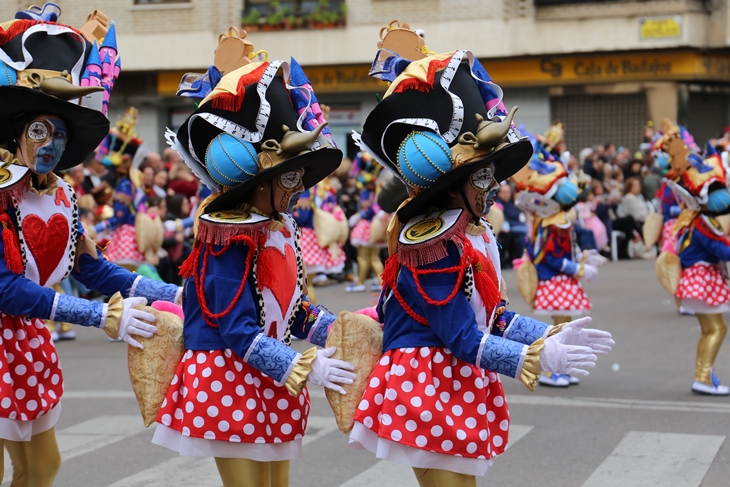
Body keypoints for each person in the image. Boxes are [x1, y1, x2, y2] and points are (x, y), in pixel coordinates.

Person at [349, 24, 612, 485]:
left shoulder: (469, 231)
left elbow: (494, 315)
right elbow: (461, 337)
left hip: (455, 375)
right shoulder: (430, 242)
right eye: (481, 178)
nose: (492, 188)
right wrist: (532, 358)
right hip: (426, 381)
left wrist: (546, 335)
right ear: (452, 184)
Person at [152, 39, 356, 487]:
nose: (299, 189)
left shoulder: (279, 227)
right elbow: (236, 328)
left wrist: (342, 330)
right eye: (289, 176)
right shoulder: (229, 234)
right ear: (258, 178)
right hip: (227, 375)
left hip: (267, 373)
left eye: (299, 176)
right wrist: (305, 365)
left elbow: (291, 311)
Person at [0, 8, 183, 484]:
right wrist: (97, 316)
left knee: (42, 467)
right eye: (39, 130)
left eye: (59, 134)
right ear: (15, 132)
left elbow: (94, 271)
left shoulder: (62, 195)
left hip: (27, 345)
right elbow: (6, 289)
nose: (50, 144)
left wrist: (176, 295)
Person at [515, 151, 606, 387]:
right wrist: (578, 269)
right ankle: (548, 370)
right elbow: (553, 259)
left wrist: (585, 258)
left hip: (560, 278)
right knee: (559, 328)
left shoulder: (556, 219)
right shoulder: (551, 223)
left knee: (565, 324)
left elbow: (565, 251)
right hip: (555, 278)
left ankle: (560, 368)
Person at [660, 128, 730, 395]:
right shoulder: (701, 223)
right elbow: (721, 250)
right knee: (717, 329)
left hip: (699, 278)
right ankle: (702, 377)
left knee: (711, 329)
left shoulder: (696, 220)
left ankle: (704, 376)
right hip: (701, 278)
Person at [495, 183, 528, 269]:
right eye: (504, 192)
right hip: (508, 227)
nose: (507, 195)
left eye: (508, 192)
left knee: (523, 235)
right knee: (526, 231)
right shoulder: (498, 204)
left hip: (517, 226)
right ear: (499, 193)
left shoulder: (511, 203)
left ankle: (519, 259)